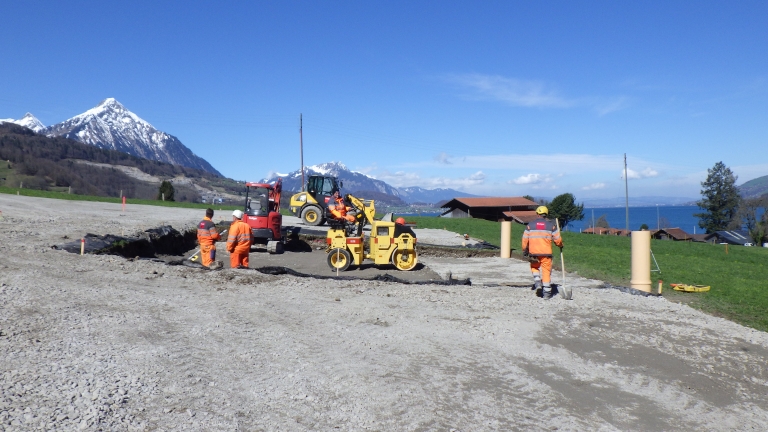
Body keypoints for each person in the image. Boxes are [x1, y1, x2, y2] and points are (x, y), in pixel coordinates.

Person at [522, 206, 563, 300]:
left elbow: (524, 239)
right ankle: (547, 293)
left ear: (537, 214)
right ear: (546, 214)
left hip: (533, 253)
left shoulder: (530, 225)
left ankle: (537, 281)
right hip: (546, 254)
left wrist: (524, 250)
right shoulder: (551, 226)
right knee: (546, 272)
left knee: (534, 267)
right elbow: (558, 240)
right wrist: (560, 245)